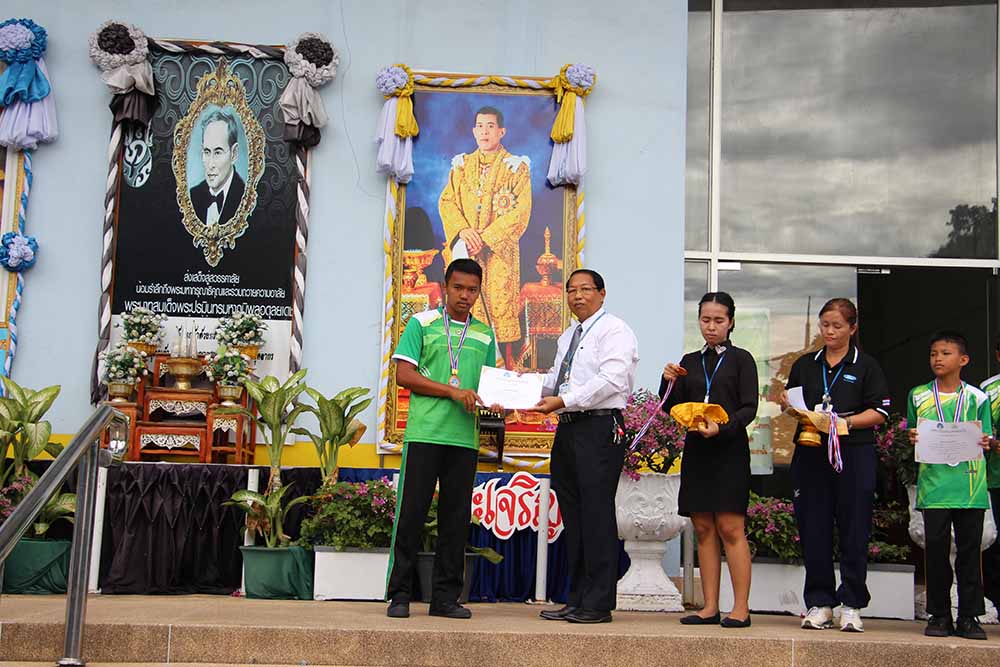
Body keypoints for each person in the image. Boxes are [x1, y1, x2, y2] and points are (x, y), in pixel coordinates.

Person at [385, 258, 502, 620]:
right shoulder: (421, 323)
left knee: (455, 520)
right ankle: (400, 595)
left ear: (479, 292)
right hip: (425, 433)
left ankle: (445, 599)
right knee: (411, 514)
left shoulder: (485, 334)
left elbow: (489, 385)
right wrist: (451, 391)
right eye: (458, 288)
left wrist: (500, 400)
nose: (465, 295)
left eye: (472, 290)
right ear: (445, 286)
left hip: (464, 438)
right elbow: (404, 375)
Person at [533, 269, 638, 624]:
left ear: (602, 293)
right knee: (573, 516)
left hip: (599, 427)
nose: (577, 296)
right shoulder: (569, 335)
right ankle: (576, 598)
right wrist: (518, 388)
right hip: (568, 429)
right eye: (571, 290)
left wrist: (563, 401)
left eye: (585, 289)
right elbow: (555, 379)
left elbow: (611, 381)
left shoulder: (615, 330)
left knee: (596, 513)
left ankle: (598, 603)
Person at [779, 298, 890, 633]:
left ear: (852, 328)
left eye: (837, 326)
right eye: (825, 325)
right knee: (814, 527)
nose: (829, 332)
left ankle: (852, 604)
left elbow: (880, 412)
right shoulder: (805, 364)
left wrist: (845, 423)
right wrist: (787, 404)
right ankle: (820, 602)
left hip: (853, 453)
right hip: (811, 453)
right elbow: (793, 403)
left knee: (854, 528)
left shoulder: (866, 366)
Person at [661, 292, 758, 628]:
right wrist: (667, 380)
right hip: (698, 452)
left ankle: (741, 607)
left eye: (719, 320)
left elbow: (749, 408)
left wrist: (723, 427)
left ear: (731, 322)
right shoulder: (689, 360)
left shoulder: (742, 359)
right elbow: (670, 406)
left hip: (729, 451)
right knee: (702, 528)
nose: (711, 326)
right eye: (705, 320)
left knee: (731, 527)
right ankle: (710, 606)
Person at [908, 331, 993, 640]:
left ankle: (969, 617)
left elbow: (987, 436)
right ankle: (939, 615)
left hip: (970, 487)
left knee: (970, 554)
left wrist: (987, 441)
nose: (938, 359)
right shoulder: (919, 395)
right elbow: (912, 430)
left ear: (963, 359)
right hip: (934, 487)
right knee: (936, 554)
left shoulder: (977, 397)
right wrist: (912, 436)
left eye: (945, 353)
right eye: (933, 353)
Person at [439, 106, 531, 365]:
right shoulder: (461, 166)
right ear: (473, 131)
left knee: (499, 308)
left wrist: (486, 238)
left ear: (501, 131)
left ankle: (502, 370)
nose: (484, 131)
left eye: (490, 126)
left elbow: (520, 212)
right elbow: (447, 202)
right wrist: (463, 231)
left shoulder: (516, 168)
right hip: (466, 249)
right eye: (480, 126)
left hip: (499, 255)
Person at [189, 108, 246, 227]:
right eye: (207, 152)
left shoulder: (245, 197)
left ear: (234, 154)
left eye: (218, 152)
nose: (210, 165)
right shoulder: (193, 195)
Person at [980, 335, 1000, 611]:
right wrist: (991, 443)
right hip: (995, 478)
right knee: (995, 545)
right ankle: (995, 602)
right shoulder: (986, 390)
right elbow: (980, 431)